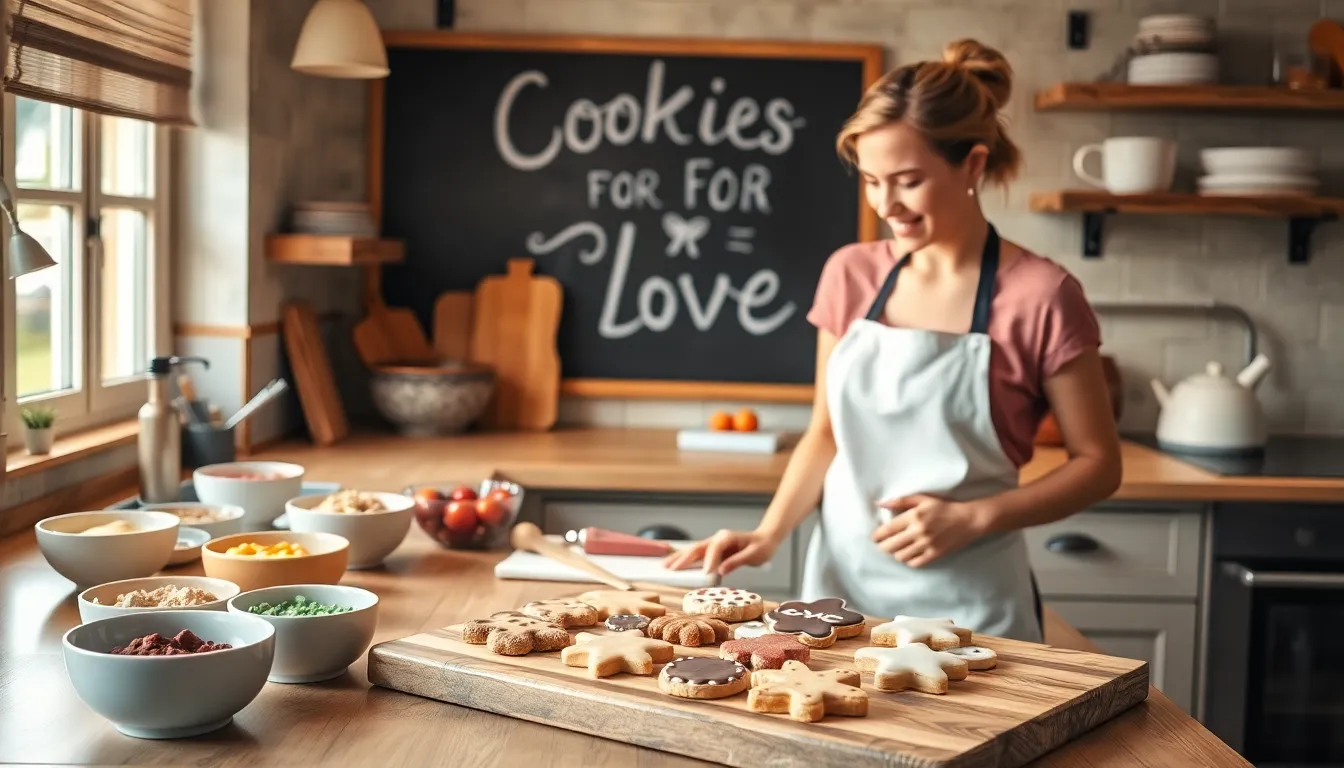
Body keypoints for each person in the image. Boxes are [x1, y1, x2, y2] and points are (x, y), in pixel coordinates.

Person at [664, 39, 1122, 643]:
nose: (886, 206)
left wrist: (974, 516)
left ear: (974, 166)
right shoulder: (850, 275)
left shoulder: (1042, 294)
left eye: (908, 182)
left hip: (975, 608)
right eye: (872, 181)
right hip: (839, 597)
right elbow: (825, 432)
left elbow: (1099, 464)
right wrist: (768, 533)